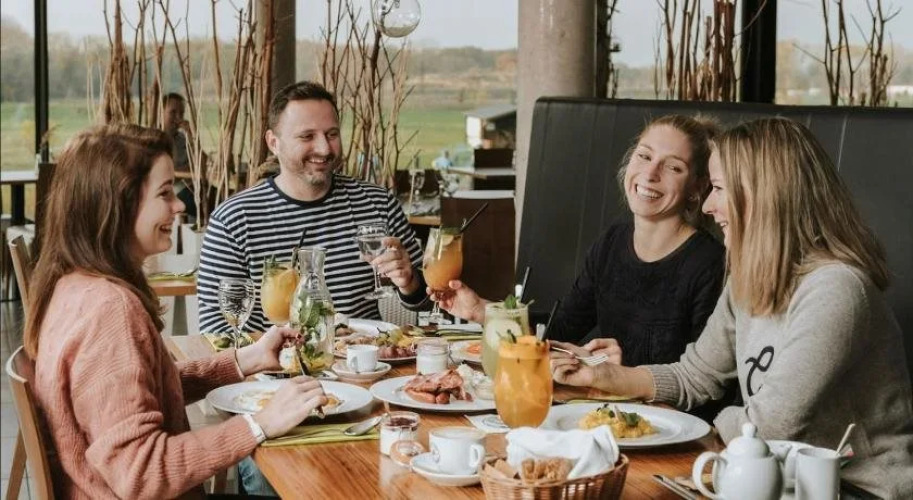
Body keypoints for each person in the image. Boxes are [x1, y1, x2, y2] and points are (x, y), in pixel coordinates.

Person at [551, 117, 913, 499]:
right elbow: (695, 376)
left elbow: (768, 427)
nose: (708, 206)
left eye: (720, 189)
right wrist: (606, 377)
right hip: (783, 482)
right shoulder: (749, 276)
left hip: (858, 490)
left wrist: (715, 421)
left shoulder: (836, 290)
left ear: (764, 195)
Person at [24, 124, 328, 498]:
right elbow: (142, 473)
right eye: (164, 193)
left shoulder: (73, 286)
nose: (180, 205)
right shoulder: (110, 310)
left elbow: (141, 391)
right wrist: (261, 423)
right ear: (118, 204)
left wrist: (246, 359)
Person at [434, 114, 726, 367]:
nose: (650, 174)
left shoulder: (710, 265)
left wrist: (622, 374)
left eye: (673, 167)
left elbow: (702, 383)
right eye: (645, 156)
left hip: (659, 414)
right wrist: (483, 310)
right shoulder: (612, 243)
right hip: (604, 406)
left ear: (697, 187)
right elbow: (560, 329)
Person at [197, 81, 428, 334]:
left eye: (332, 134)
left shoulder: (378, 203)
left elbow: (431, 301)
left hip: (364, 356)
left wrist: (410, 282)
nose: (324, 148)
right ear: (273, 142)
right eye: (307, 136)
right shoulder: (233, 220)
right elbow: (216, 328)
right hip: (271, 359)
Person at [161, 92, 199, 220]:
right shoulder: (155, 140)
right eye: (173, 113)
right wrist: (190, 169)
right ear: (160, 112)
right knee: (197, 202)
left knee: (220, 197)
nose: (178, 118)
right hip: (175, 190)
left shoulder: (182, 138)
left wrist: (192, 136)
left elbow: (201, 163)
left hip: (192, 186)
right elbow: (170, 174)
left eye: (181, 114)